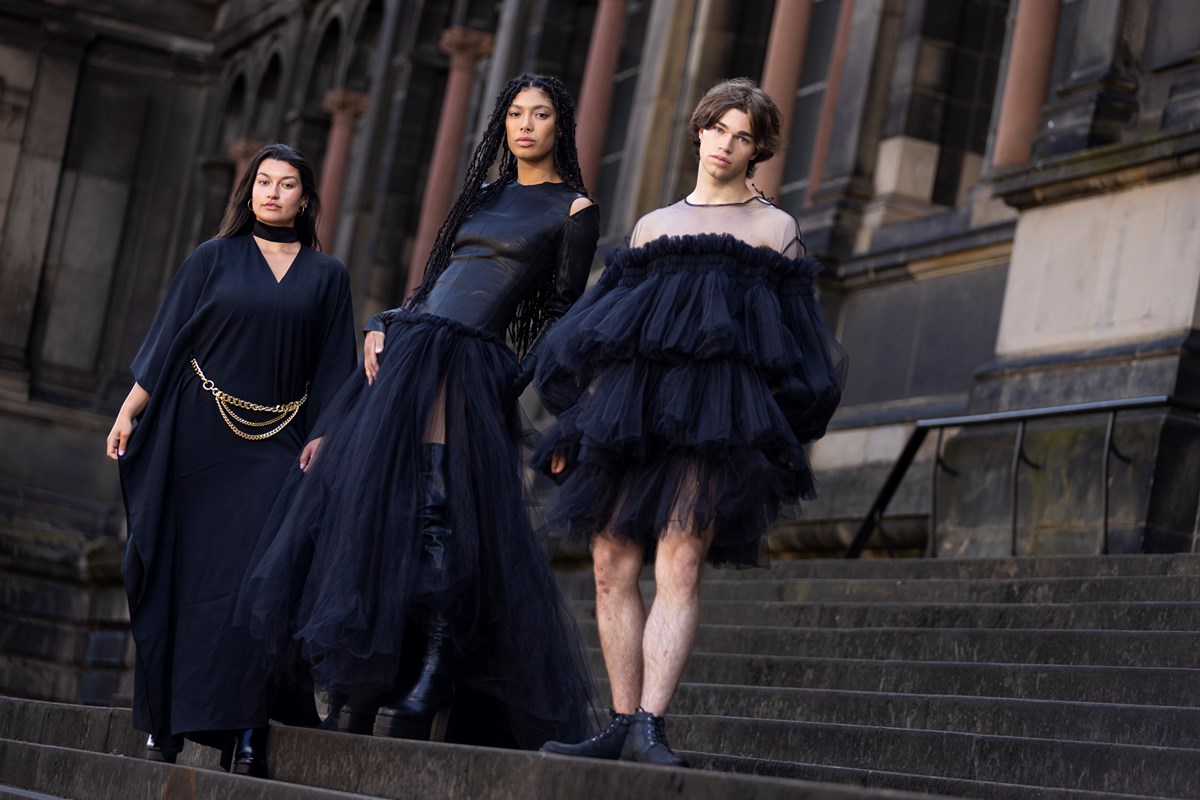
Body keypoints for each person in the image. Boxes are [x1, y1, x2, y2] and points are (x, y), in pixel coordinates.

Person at [238, 73, 600, 750]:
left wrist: (509, 380)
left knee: (436, 509)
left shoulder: (574, 209)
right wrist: (380, 322)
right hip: (411, 350)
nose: (526, 125)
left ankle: (433, 672)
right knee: (365, 507)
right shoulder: (484, 196)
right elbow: (433, 283)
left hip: (470, 365)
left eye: (541, 114)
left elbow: (560, 314)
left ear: (560, 126)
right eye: (516, 113)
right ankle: (360, 681)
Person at [536, 78, 848, 766]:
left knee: (680, 561)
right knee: (610, 563)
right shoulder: (654, 227)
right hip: (632, 415)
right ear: (699, 131)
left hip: (715, 420)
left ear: (756, 149)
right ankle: (619, 721)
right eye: (718, 128)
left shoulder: (775, 230)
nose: (726, 144)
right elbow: (606, 335)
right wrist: (581, 425)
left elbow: (797, 345)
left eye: (742, 135)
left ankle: (651, 723)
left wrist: (777, 434)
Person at [107, 143, 358, 775]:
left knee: (258, 583)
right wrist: (129, 409)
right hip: (197, 434)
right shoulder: (212, 258)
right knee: (184, 578)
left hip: (279, 440)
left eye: (287, 184)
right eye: (263, 182)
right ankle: (165, 721)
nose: (273, 193)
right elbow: (168, 338)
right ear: (249, 192)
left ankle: (249, 728)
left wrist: (324, 434)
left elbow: (335, 367)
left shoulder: (327, 276)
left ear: (306, 198)